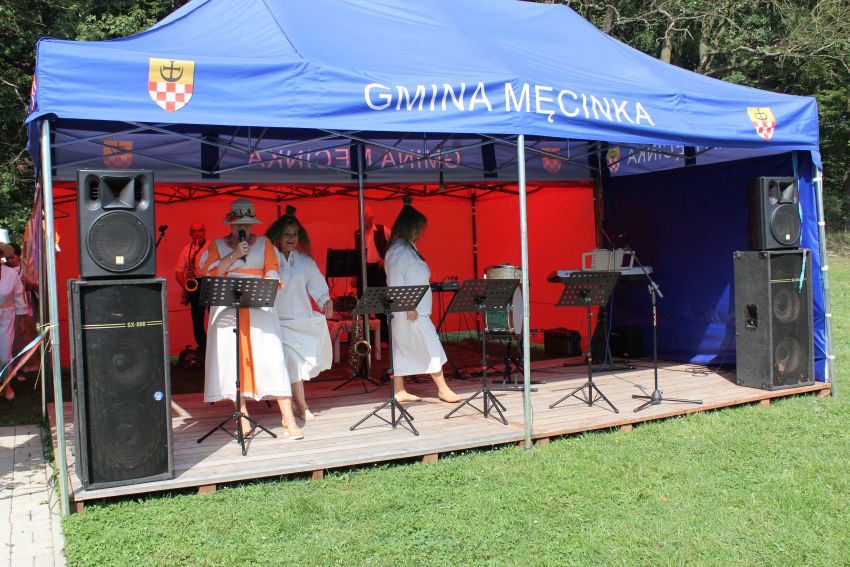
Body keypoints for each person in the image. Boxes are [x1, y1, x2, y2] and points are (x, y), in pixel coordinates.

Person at [199, 198, 302, 439]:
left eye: (247, 224)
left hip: (259, 306)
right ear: (231, 225)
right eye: (239, 224)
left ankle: (287, 417)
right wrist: (234, 255)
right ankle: (242, 414)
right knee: (231, 360)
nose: (243, 228)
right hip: (228, 307)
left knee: (272, 357)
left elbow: (273, 268)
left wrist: (268, 283)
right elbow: (210, 273)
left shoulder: (265, 243)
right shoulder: (216, 245)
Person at [384, 197, 460, 403]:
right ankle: (443, 389)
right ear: (409, 227)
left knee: (402, 348)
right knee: (431, 346)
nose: (420, 232)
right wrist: (407, 305)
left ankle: (399, 390)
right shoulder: (400, 250)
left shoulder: (408, 248)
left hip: (415, 310)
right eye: (417, 228)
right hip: (409, 310)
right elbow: (396, 280)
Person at [266, 206, 333, 422]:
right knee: (293, 362)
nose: (291, 238)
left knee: (299, 365)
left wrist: (326, 301)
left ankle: (292, 402)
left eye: (295, 234)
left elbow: (317, 284)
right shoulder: (269, 259)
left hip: (301, 321)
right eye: (286, 234)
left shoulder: (305, 261)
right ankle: (302, 406)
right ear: (278, 236)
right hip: (278, 321)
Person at [354, 206, 390, 339]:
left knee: (381, 305)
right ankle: (365, 339)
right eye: (361, 219)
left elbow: (395, 247)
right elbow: (357, 254)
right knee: (363, 304)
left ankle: (384, 338)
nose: (362, 221)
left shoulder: (383, 230)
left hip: (379, 271)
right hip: (364, 271)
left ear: (371, 218)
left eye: (365, 218)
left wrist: (385, 259)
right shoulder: (358, 233)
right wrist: (355, 274)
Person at [174, 222, 208, 352]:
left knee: (214, 317)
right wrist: (186, 287)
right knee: (197, 319)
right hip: (195, 285)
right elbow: (178, 272)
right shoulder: (186, 249)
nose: (197, 233)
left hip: (209, 282)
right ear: (190, 234)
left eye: (200, 230)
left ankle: (215, 346)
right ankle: (202, 347)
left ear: (204, 232)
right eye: (194, 231)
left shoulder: (212, 247)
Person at [0, 243, 27, 401]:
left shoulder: (11, 274)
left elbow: (19, 297)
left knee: (5, 355)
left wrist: (22, 321)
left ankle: (6, 384)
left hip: (6, 317)